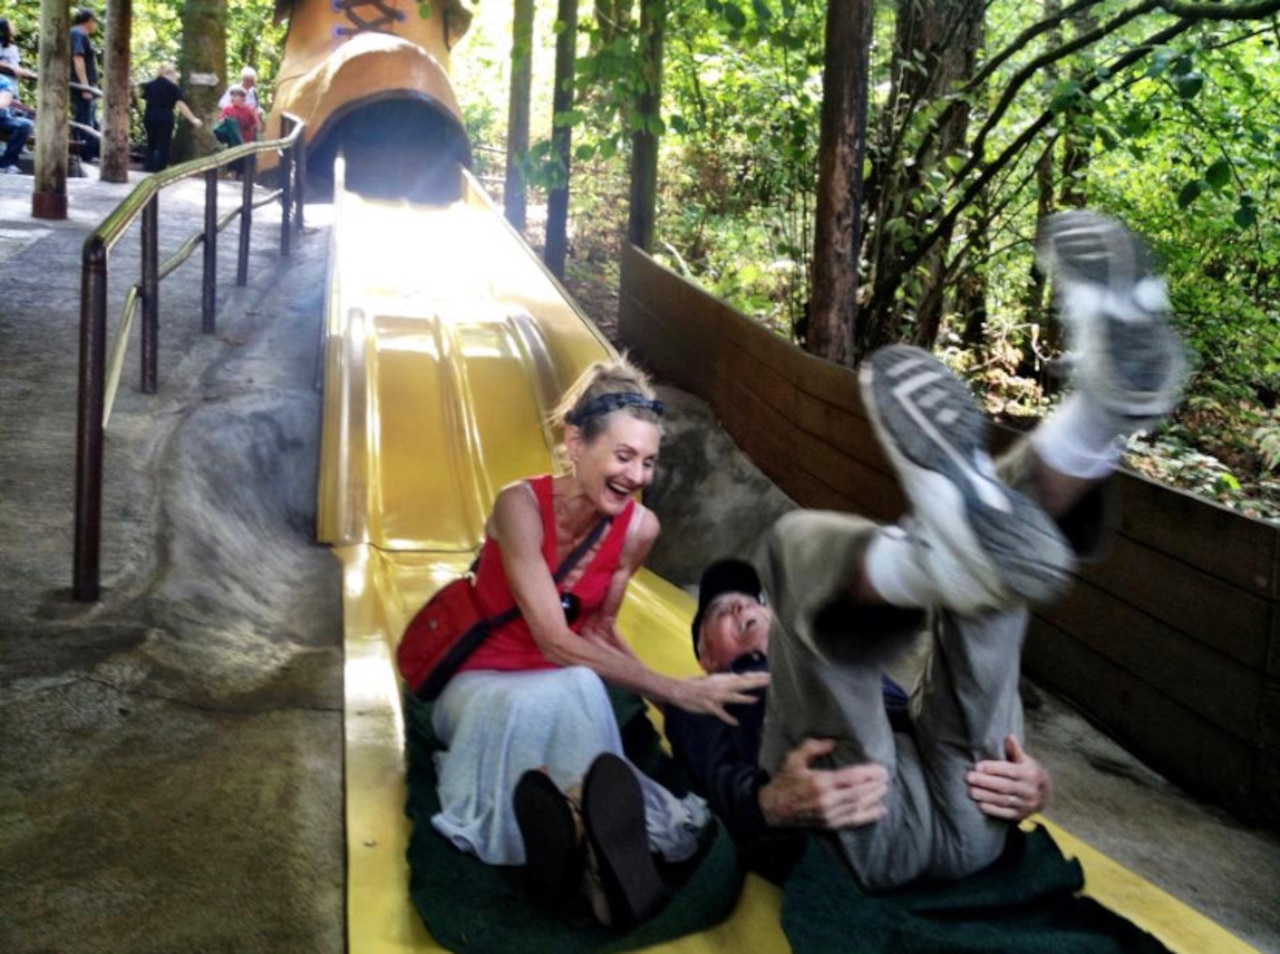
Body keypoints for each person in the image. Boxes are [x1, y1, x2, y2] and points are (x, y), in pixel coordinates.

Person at [667, 210, 1186, 892]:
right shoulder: (699, 699)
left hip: (968, 807)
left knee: (984, 588)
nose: (745, 613)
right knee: (793, 547)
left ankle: (1095, 423)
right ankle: (955, 540)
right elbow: (717, 787)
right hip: (855, 816)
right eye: (724, 615)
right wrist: (771, 802)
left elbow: (936, 701)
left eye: (747, 604)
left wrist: (1028, 781)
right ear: (705, 656)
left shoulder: (840, 660)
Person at [424, 358, 770, 928]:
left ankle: (581, 841)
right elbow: (554, 638)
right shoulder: (520, 507)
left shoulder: (639, 530)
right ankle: (579, 835)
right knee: (554, 688)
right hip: (482, 681)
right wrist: (673, 690)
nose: (637, 476)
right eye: (624, 456)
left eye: (649, 461)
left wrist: (678, 697)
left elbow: (598, 630)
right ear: (576, 444)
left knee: (579, 685)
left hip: (562, 677)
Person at [139, 63, 203, 173]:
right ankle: (160, 170)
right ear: (170, 73)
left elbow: (144, 98)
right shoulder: (173, 87)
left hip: (150, 116)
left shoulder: (150, 85)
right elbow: (181, 104)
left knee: (151, 143)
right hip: (165, 117)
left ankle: (148, 167)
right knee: (163, 145)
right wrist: (193, 119)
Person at [69, 8, 99, 162]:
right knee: (85, 118)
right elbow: (78, 59)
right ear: (89, 21)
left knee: (91, 118)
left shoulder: (75, 34)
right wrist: (85, 86)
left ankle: (92, 151)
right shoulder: (78, 34)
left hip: (83, 84)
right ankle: (87, 154)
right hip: (80, 85)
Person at [0, 72, 31, 174]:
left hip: (2, 120)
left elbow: (4, 101)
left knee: (24, 125)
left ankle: (7, 163)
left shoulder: (4, 81)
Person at [0, 18, 37, 83]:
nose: (14, 27)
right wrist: (12, 68)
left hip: (11, 84)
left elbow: (16, 68)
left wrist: (26, 72)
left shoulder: (12, 47)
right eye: (11, 25)